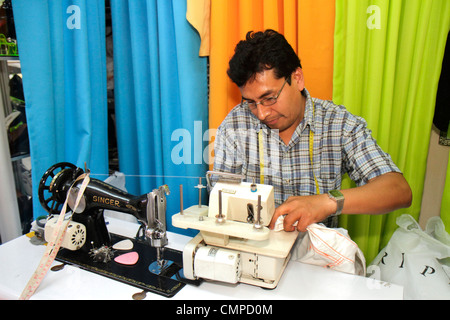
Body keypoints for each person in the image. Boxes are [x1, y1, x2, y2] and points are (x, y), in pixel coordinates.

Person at [213, 29, 412, 232]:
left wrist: (327, 202)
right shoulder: (235, 127)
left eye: (269, 98)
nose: (262, 113)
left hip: (316, 256)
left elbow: (398, 191)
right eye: (251, 103)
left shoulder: (338, 125)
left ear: (297, 78)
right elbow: (221, 201)